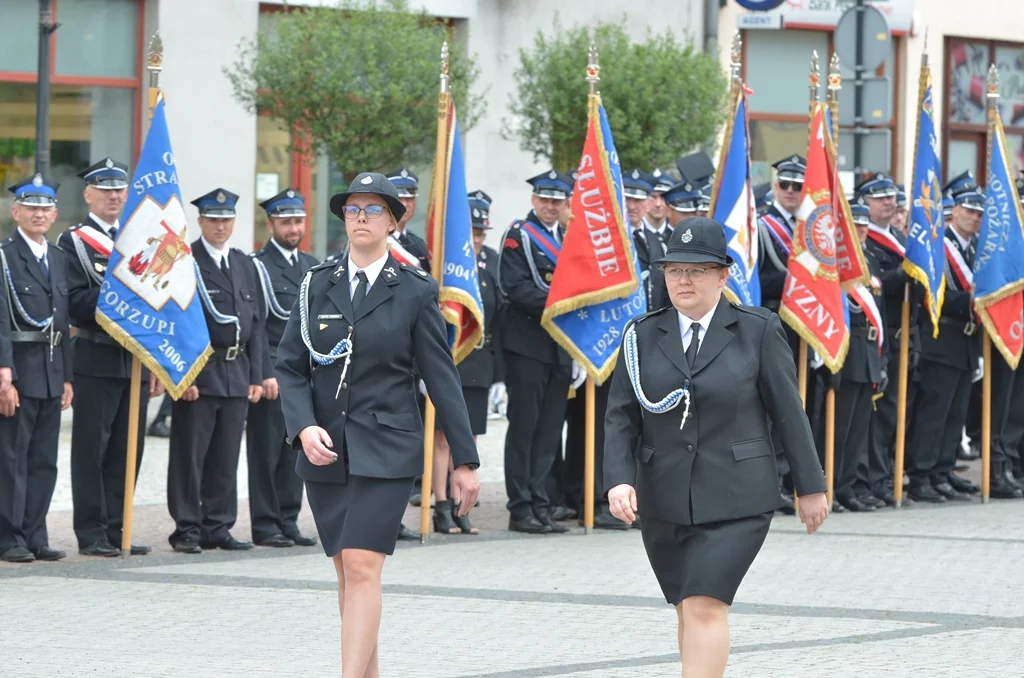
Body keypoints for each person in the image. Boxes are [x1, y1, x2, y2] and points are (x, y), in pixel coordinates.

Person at [603, 217, 829, 677]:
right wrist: (618, 480)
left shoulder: (757, 330)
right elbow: (620, 416)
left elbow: (789, 413)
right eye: (674, 271)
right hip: (663, 495)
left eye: (697, 271)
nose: (683, 280)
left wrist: (810, 487)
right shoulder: (641, 334)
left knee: (706, 603)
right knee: (686, 605)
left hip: (737, 495)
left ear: (723, 276)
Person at [275, 172, 480, 677]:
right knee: (347, 574)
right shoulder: (317, 284)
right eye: (352, 209)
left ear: (393, 221)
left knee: (364, 566)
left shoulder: (412, 290)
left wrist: (466, 460)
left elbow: (442, 377)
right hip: (326, 450)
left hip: (387, 449)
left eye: (372, 210)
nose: (361, 218)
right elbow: (290, 366)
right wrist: (303, 428)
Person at [58, 157, 161, 557]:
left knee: (127, 448)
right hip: (95, 357)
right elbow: (75, 302)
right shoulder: (76, 241)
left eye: (119, 189)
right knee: (92, 449)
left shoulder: (136, 239)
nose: (114, 196)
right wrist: (118, 293)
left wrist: (152, 360)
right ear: (88, 195)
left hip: (132, 359)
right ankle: (92, 531)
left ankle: (120, 526)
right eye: (105, 190)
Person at [166, 188, 266, 553]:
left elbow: (255, 324)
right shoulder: (184, 261)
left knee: (225, 458)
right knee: (189, 459)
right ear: (201, 221)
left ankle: (218, 526)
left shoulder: (242, 264)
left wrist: (256, 375)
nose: (220, 226)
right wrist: (184, 375)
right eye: (213, 219)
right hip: (201, 375)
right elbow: (175, 321)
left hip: (236, 374)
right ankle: (187, 529)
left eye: (226, 220)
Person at [0, 175, 75, 563]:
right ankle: (10, 537)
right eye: (31, 207)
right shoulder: (4, 255)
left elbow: (61, 324)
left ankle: (36, 533)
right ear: (16, 212)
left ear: (55, 214)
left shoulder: (58, 258)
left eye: (45, 208)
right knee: (12, 458)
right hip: (19, 371)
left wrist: (66, 376)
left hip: (49, 370)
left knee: (44, 459)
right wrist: (3, 373)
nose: (39, 214)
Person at [496, 170, 576, 534]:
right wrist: (562, 303)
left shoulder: (570, 239)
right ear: (533, 201)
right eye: (544, 200)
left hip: (560, 347)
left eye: (556, 201)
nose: (549, 206)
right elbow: (515, 288)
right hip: (526, 344)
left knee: (549, 431)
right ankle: (521, 507)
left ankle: (541, 503)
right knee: (525, 428)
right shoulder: (519, 236)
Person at [246, 188, 321, 547]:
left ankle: (288, 518)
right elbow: (257, 324)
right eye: (286, 222)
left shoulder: (311, 266)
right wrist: (263, 371)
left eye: (298, 221)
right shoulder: (257, 266)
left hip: (304, 377)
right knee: (266, 450)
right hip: (274, 372)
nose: (293, 229)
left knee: (297, 448)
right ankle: (265, 523)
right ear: (271, 223)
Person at [906, 172, 983, 503]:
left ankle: (942, 470)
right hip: (941, 338)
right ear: (954, 212)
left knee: (956, 412)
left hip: (967, 342)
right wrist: (972, 299)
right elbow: (928, 295)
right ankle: (921, 475)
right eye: (969, 211)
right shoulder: (938, 247)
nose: (974, 218)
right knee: (934, 412)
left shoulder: (977, 248)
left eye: (979, 213)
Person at [431, 190, 504, 534]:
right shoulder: (446, 266)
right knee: (443, 437)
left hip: (479, 361)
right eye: (471, 233)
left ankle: (463, 506)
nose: (476, 240)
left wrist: (500, 375)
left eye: (480, 233)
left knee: (469, 438)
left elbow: (500, 317)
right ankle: (441, 505)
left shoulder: (490, 263)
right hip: (449, 360)